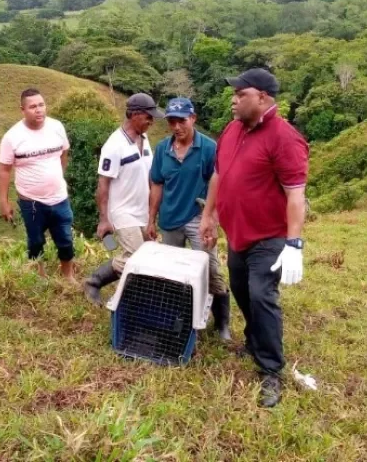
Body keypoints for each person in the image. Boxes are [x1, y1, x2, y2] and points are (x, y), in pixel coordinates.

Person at [199, 69, 308, 408]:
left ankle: (271, 369)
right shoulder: (232, 130)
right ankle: (253, 338)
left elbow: (295, 195)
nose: (233, 99)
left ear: (262, 98)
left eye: (240, 94)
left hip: (269, 237)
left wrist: (293, 244)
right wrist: (209, 215)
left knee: (262, 296)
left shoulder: (284, 137)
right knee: (243, 293)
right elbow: (219, 174)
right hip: (238, 234)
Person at [148, 97, 231, 341]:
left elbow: (217, 186)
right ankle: (179, 318)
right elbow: (156, 183)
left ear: (193, 118)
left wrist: (212, 220)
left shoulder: (208, 148)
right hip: (170, 218)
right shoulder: (163, 149)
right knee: (171, 272)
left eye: (181, 120)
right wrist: (151, 219)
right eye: (172, 121)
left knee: (211, 269)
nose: (176, 127)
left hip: (198, 217)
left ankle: (222, 322)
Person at [83, 93, 163, 305]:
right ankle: (96, 283)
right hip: (122, 210)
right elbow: (103, 184)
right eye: (148, 117)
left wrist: (153, 213)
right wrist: (104, 219)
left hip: (142, 211)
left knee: (149, 257)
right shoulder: (114, 145)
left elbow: (149, 177)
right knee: (136, 258)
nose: (151, 122)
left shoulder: (145, 141)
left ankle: (125, 292)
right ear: (135, 115)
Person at [0, 89, 75, 280]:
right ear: (22, 109)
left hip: (59, 197)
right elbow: (4, 170)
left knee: (65, 238)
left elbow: (64, 153)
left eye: (41, 105)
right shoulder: (12, 137)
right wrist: (4, 201)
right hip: (31, 201)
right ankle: (39, 275)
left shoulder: (57, 127)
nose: (38, 110)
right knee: (36, 240)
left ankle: (68, 275)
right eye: (32, 106)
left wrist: (58, 177)